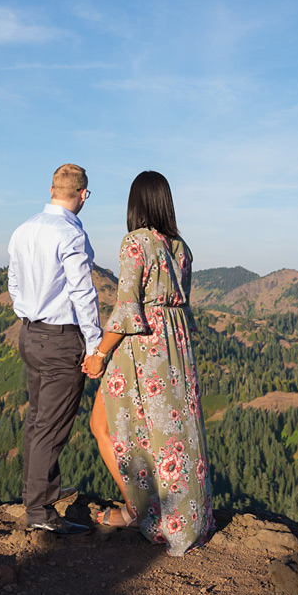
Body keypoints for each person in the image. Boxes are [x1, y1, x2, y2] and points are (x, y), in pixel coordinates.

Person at [83, 171, 214, 556]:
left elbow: (127, 309)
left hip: (141, 348)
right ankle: (183, 516)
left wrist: (99, 354)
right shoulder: (181, 247)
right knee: (172, 436)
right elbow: (180, 301)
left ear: (135, 203)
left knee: (103, 426)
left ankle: (136, 510)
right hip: (176, 346)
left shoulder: (135, 242)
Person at [8, 163, 101, 535]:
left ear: (51, 190)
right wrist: (94, 345)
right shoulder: (70, 234)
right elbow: (82, 292)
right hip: (61, 339)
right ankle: (40, 512)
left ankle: (35, 497)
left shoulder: (23, 229)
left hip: (30, 333)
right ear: (83, 195)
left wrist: (26, 312)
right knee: (51, 427)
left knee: (36, 421)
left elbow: (13, 280)